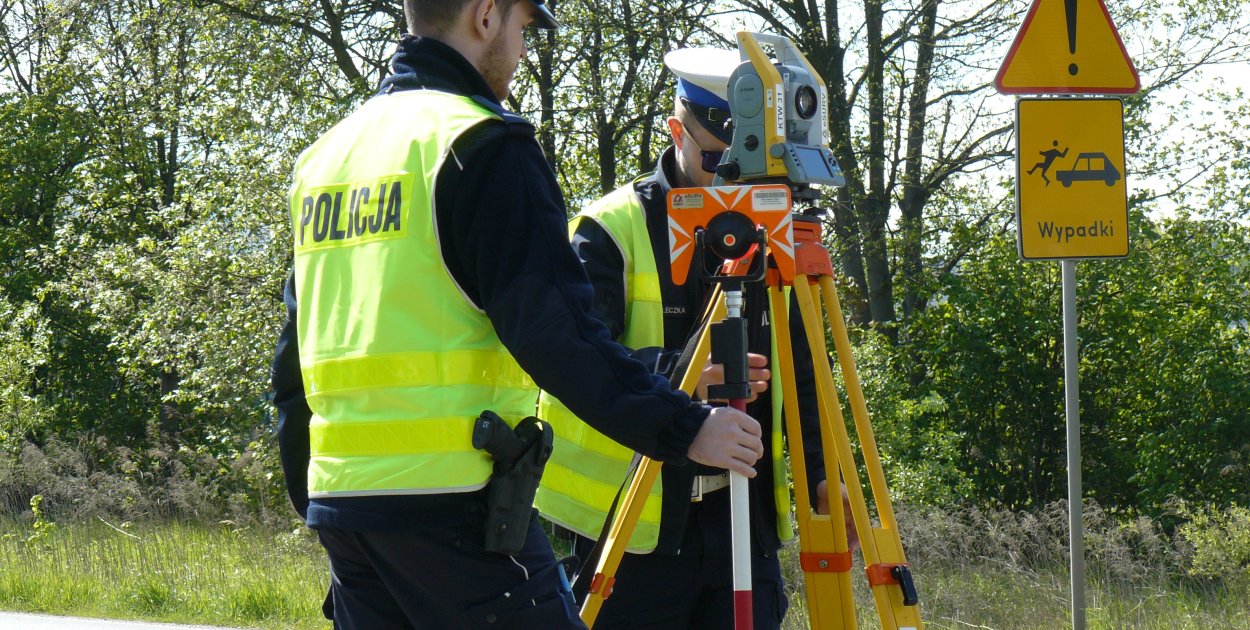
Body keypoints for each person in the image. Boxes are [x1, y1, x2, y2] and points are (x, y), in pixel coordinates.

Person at [270, 4, 768, 628]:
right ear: (485, 16)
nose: (524, 50)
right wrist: (684, 426)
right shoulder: (480, 141)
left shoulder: (326, 158)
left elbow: (292, 364)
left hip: (347, 507)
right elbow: (557, 334)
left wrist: (316, 498)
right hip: (459, 504)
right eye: (522, 28)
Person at [535, 48, 856, 629]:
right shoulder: (609, 230)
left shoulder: (769, 225)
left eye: (745, 161)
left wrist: (820, 474)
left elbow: (801, 366)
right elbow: (575, 359)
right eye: (715, 158)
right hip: (632, 528)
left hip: (743, 513)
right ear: (676, 130)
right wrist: (685, 370)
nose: (729, 179)